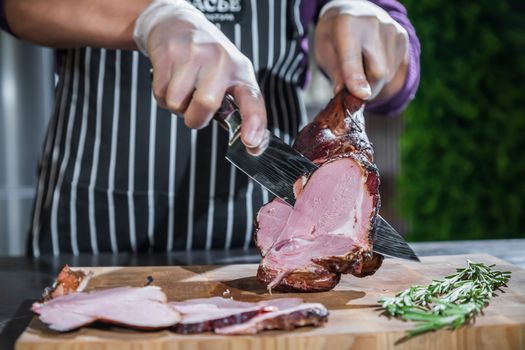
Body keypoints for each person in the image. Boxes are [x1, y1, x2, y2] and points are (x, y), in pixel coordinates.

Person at [0, 0, 420, 256]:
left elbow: (398, 69)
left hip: (267, 231)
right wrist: (150, 17)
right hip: (88, 224)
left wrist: (370, 20)